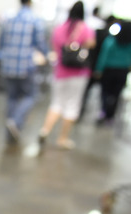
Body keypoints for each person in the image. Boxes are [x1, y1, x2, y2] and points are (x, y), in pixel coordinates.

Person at [38, 1, 95, 150]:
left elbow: (54, 47)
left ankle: (45, 130)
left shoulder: (59, 28)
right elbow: (91, 44)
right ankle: (62, 138)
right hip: (79, 73)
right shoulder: (86, 29)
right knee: (72, 105)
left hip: (60, 72)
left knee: (56, 103)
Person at [0, 0, 48, 145]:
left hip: (8, 65)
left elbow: (1, 42)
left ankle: (10, 129)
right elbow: (41, 43)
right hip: (26, 66)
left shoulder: (9, 20)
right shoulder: (35, 20)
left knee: (12, 97)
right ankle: (15, 121)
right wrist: (46, 54)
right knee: (31, 96)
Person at [94, 20, 131, 124]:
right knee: (116, 94)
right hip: (123, 71)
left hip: (109, 70)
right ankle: (110, 116)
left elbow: (103, 56)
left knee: (105, 92)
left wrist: (98, 69)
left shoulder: (111, 41)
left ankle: (104, 111)